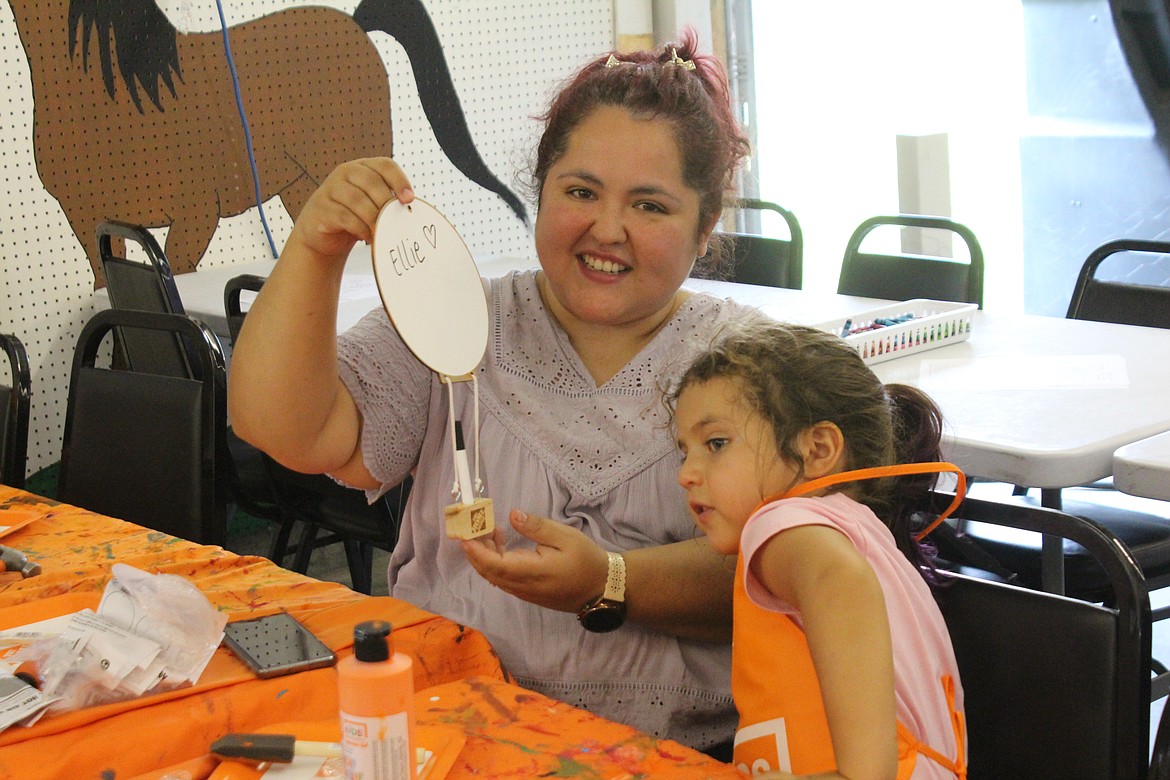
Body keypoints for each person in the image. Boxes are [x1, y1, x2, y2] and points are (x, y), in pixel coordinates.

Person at [229, 30, 760, 750]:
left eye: (651, 207)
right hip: (450, 729)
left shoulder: (749, 364)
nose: (608, 229)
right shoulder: (457, 318)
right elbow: (283, 427)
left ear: (705, 230)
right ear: (538, 192)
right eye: (580, 192)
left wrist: (609, 580)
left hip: (666, 755)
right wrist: (316, 247)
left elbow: (773, 571)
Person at [670, 321, 967, 779]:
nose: (687, 473)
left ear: (818, 449)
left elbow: (838, 579)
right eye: (683, 451)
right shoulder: (855, 528)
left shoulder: (784, 522)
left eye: (716, 444)